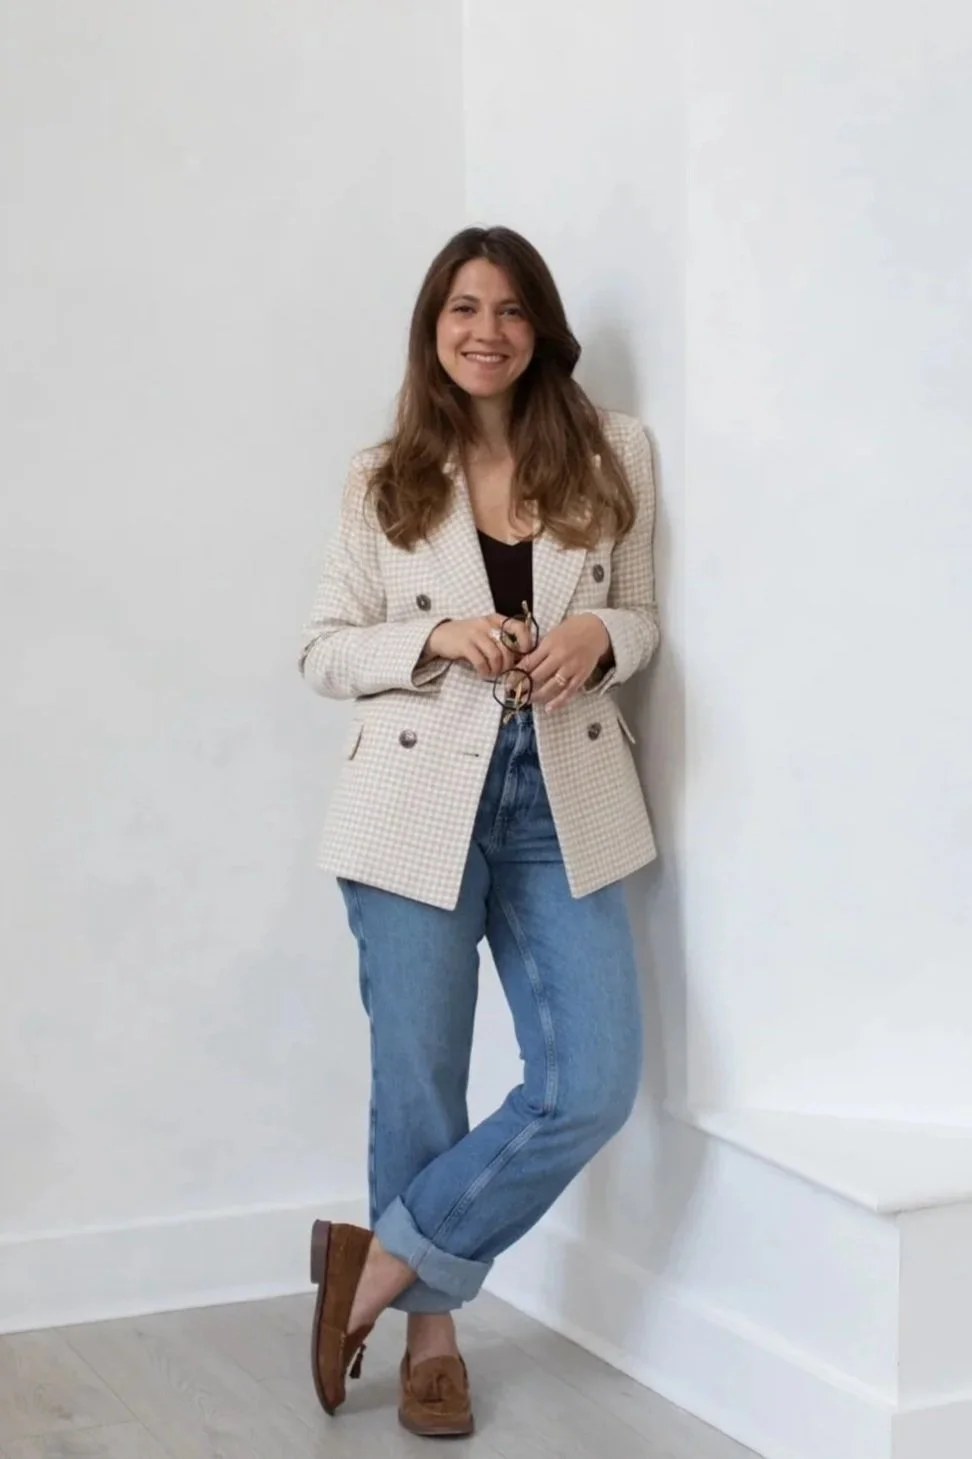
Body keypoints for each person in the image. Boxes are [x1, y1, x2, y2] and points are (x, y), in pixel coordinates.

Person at [298, 225, 659, 1439]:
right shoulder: (379, 476)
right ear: (433, 327)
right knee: (421, 1080)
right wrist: (434, 639)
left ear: (539, 327)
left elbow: (647, 610)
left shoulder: (615, 456)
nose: (486, 330)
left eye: (509, 309)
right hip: (413, 799)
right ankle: (431, 1342)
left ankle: (382, 1266)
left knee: (593, 1080)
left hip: (566, 796)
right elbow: (320, 647)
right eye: (463, 308)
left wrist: (600, 638)